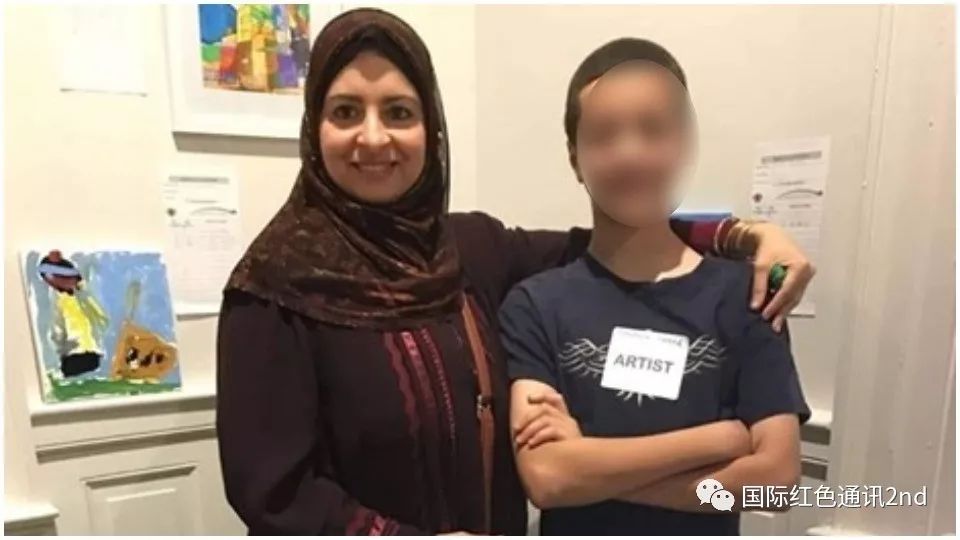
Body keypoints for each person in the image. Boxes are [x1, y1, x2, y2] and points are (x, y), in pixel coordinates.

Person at [216, 9, 814, 535]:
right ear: (314, 127)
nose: (374, 137)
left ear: (431, 128)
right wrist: (720, 440)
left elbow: (625, 230)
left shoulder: (471, 251)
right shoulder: (273, 286)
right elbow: (273, 492)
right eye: (346, 111)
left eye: (399, 112)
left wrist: (744, 234)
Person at [500, 38, 811, 536]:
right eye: (604, 135)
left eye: (652, 129)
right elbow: (547, 478)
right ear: (575, 158)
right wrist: (720, 440)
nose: (630, 153)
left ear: (683, 146)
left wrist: (591, 473)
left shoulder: (746, 295)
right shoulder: (534, 304)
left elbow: (775, 482)